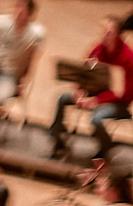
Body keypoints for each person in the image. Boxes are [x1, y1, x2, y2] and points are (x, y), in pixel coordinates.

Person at [49, 14, 133, 143]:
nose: (104, 35)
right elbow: (84, 75)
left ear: (119, 35)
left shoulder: (128, 58)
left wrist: (97, 100)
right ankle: (56, 138)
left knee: (97, 118)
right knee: (62, 99)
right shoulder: (97, 49)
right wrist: (81, 91)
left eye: (109, 32)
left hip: (118, 103)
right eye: (103, 31)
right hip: (94, 96)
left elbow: (124, 93)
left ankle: (106, 147)